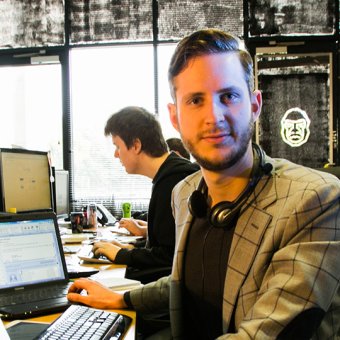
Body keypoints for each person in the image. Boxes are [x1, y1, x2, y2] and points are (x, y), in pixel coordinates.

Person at [68, 29, 340, 339]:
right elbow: (182, 284)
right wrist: (121, 298)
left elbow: (263, 335)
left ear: (254, 105)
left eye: (228, 96)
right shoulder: (186, 193)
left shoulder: (315, 199)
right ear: (175, 117)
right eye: (195, 100)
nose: (213, 116)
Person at [92, 106, 199, 284]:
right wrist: (131, 247)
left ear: (136, 145)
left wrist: (123, 255)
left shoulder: (174, 181)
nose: (115, 154)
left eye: (118, 146)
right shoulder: (167, 175)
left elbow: (169, 257)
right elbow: (168, 242)